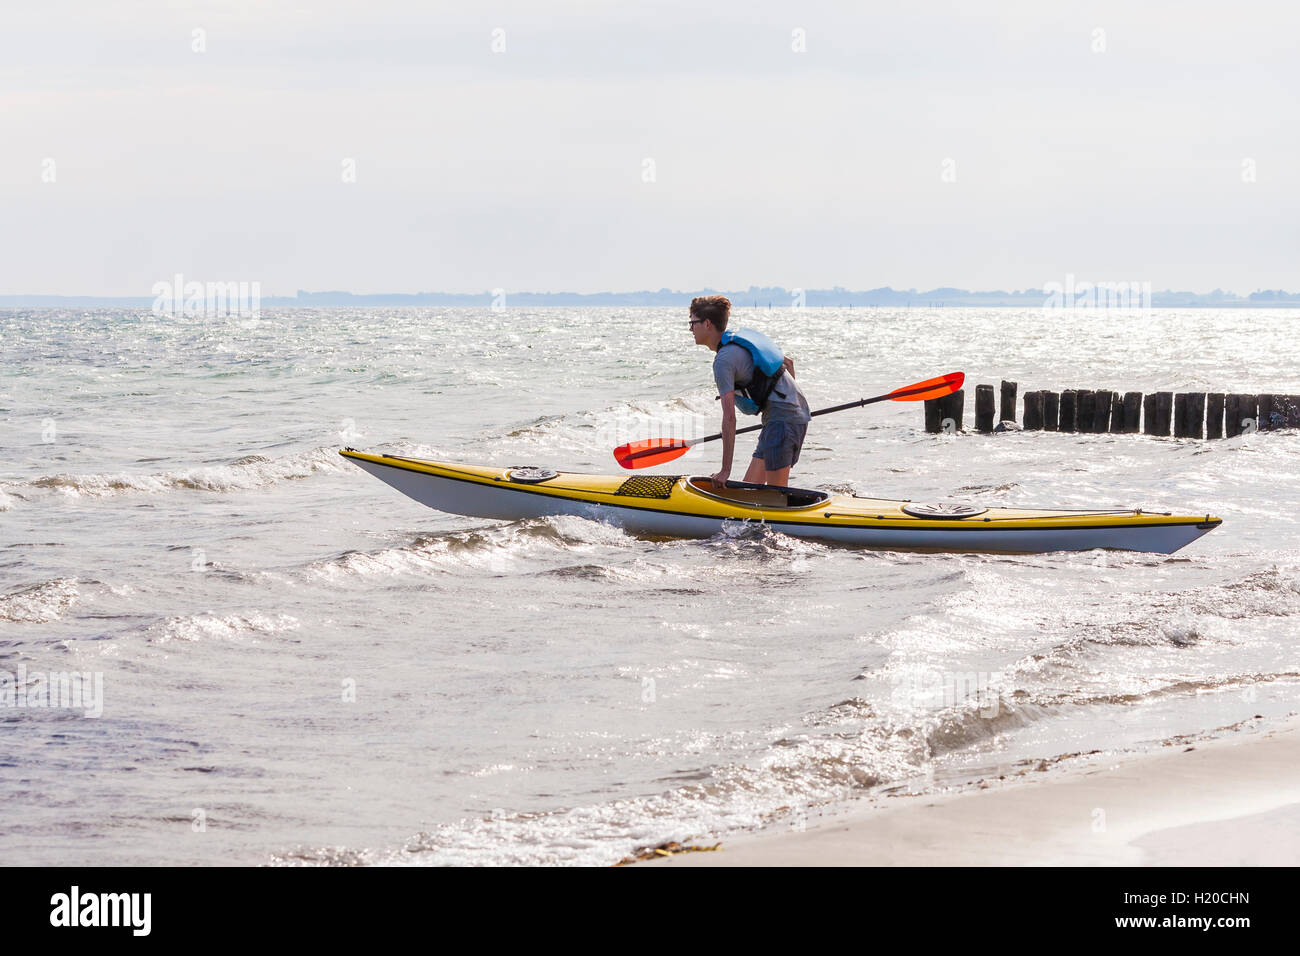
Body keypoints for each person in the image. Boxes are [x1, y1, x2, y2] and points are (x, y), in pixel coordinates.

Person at [689, 295, 810, 489]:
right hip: (788, 415)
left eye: (693, 323)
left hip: (781, 421)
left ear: (707, 324)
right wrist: (791, 408)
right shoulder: (737, 343)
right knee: (750, 489)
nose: (690, 329)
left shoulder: (723, 361)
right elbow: (788, 363)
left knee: (775, 498)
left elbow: (729, 418)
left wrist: (725, 470)